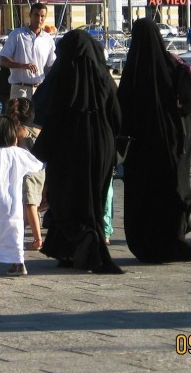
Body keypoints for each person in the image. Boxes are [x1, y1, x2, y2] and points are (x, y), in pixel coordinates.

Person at [116, 18, 191, 264]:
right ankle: (174, 239)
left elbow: (121, 110)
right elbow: (189, 101)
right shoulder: (172, 64)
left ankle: (147, 243)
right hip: (175, 139)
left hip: (142, 146)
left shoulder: (133, 70)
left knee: (144, 195)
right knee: (172, 188)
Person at [31, 29, 123, 274]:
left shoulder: (62, 75)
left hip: (68, 143)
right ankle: (81, 243)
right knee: (94, 196)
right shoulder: (103, 76)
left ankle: (79, 240)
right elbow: (116, 114)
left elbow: (44, 110)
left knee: (65, 195)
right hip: (101, 144)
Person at [0, 115, 45, 276]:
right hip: (13, 202)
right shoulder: (19, 153)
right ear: (14, 137)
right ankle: (18, 263)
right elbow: (37, 165)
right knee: (15, 231)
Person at [6, 97, 45, 251]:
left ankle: (37, 239)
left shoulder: (18, 132)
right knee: (27, 205)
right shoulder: (38, 129)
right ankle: (18, 233)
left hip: (26, 173)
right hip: (40, 170)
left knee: (29, 204)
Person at [0, 2, 57, 101]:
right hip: (20, 89)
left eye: (42, 16)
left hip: (40, 89)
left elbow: (52, 66)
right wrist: (23, 65)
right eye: (36, 15)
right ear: (30, 15)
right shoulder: (17, 35)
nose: (39, 19)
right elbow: (2, 60)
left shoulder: (48, 39)